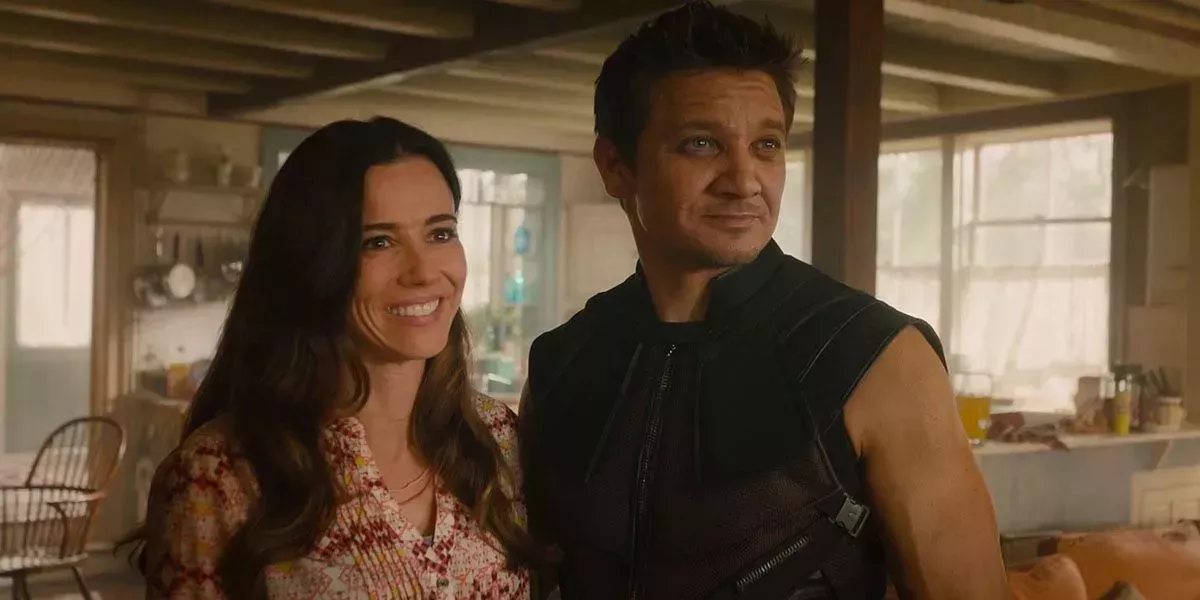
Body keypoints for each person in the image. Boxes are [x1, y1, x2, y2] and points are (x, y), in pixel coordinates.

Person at [518, 3, 1011, 599]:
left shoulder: (878, 357)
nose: (745, 181)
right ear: (616, 167)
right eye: (702, 144)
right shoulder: (563, 361)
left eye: (767, 145)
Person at [130, 117, 539, 598]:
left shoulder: (496, 440)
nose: (424, 271)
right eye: (378, 242)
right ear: (312, 266)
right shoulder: (217, 477)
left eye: (440, 233)